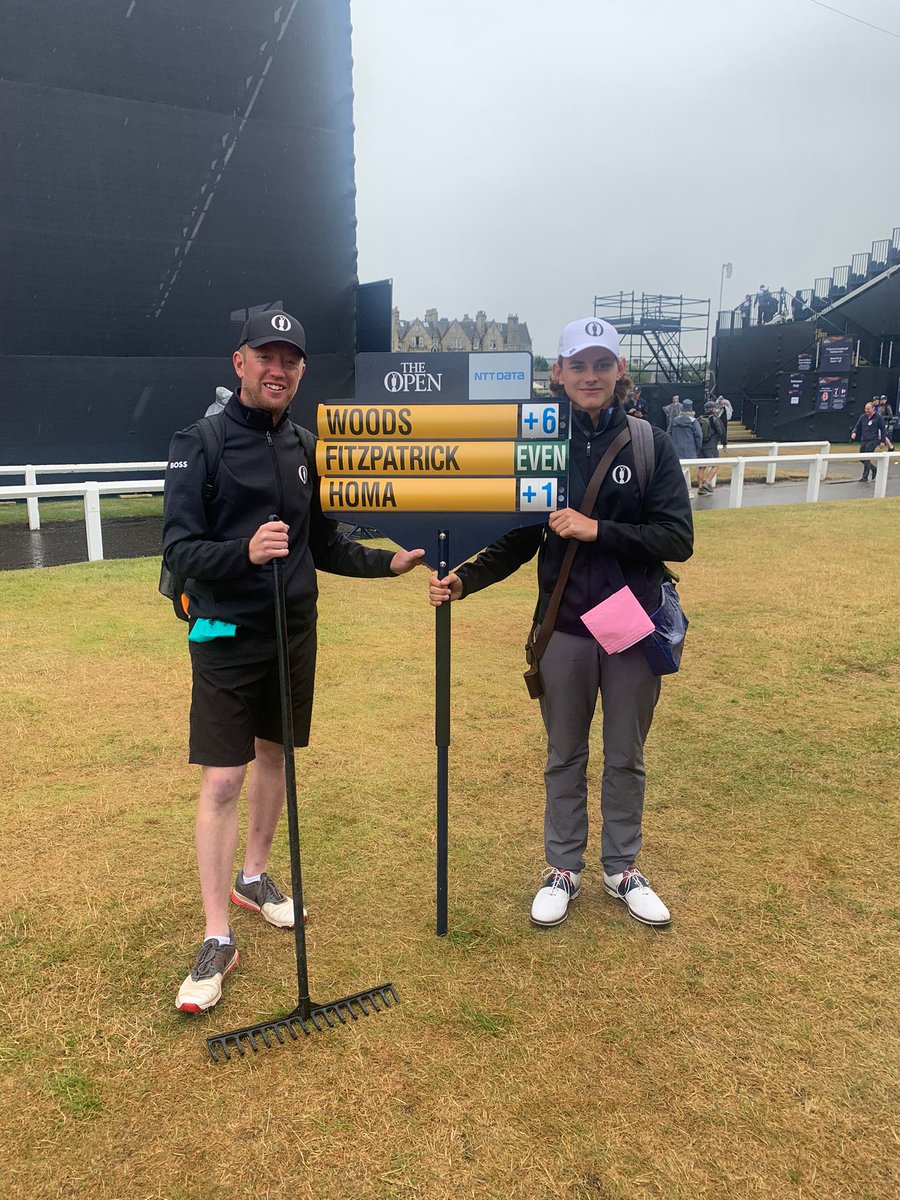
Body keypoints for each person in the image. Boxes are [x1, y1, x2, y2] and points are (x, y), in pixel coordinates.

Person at [162, 310, 424, 1013]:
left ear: (301, 372)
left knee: (275, 756)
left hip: (293, 631)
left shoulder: (308, 446)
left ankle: (255, 877)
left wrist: (386, 565)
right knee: (223, 778)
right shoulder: (201, 443)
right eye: (265, 356)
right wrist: (241, 553)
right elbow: (179, 550)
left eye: (291, 360)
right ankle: (217, 936)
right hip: (224, 632)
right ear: (240, 361)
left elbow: (323, 545)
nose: (278, 369)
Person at [428, 318, 693, 929]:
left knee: (626, 753)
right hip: (565, 628)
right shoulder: (540, 443)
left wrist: (596, 528)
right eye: (579, 365)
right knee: (564, 754)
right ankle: (562, 868)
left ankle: (622, 867)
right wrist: (465, 579)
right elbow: (521, 536)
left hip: (631, 624)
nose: (591, 376)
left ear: (619, 371)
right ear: (559, 373)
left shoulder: (650, 443)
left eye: (602, 364)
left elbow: (677, 537)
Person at [850, 401, 890, 481]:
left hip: (873, 440)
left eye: (868, 409)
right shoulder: (863, 417)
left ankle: (864, 477)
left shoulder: (878, 417)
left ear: (873, 409)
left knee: (867, 457)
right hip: (864, 440)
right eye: (866, 409)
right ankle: (874, 469)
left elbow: (883, 429)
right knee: (861, 457)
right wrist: (854, 432)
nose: (867, 411)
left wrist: (882, 441)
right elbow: (857, 426)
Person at [668, 398, 702, 494]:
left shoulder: (674, 420)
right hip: (689, 450)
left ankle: (688, 490)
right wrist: (697, 449)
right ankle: (679, 491)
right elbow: (699, 436)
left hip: (675, 449)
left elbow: (668, 434)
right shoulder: (694, 421)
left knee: (684, 469)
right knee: (684, 470)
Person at [697, 401, 726, 496]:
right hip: (711, 446)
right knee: (716, 465)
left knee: (701, 467)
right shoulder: (714, 418)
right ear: (713, 408)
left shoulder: (699, 418)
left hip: (701, 447)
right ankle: (707, 482)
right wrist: (724, 443)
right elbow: (721, 431)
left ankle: (700, 488)